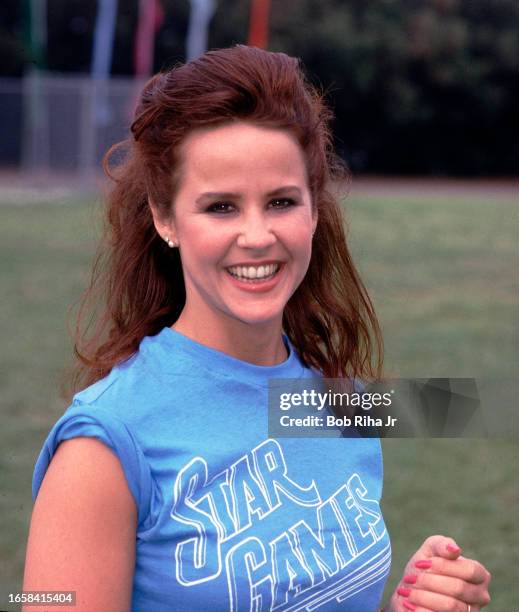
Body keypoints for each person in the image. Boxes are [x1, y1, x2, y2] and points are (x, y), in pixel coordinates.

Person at [23, 45, 491, 612]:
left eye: (280, 202)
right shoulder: (104, 445)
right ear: (165, 218)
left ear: (314, 210)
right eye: (221, 207)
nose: (256, 235)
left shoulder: (342, 403)